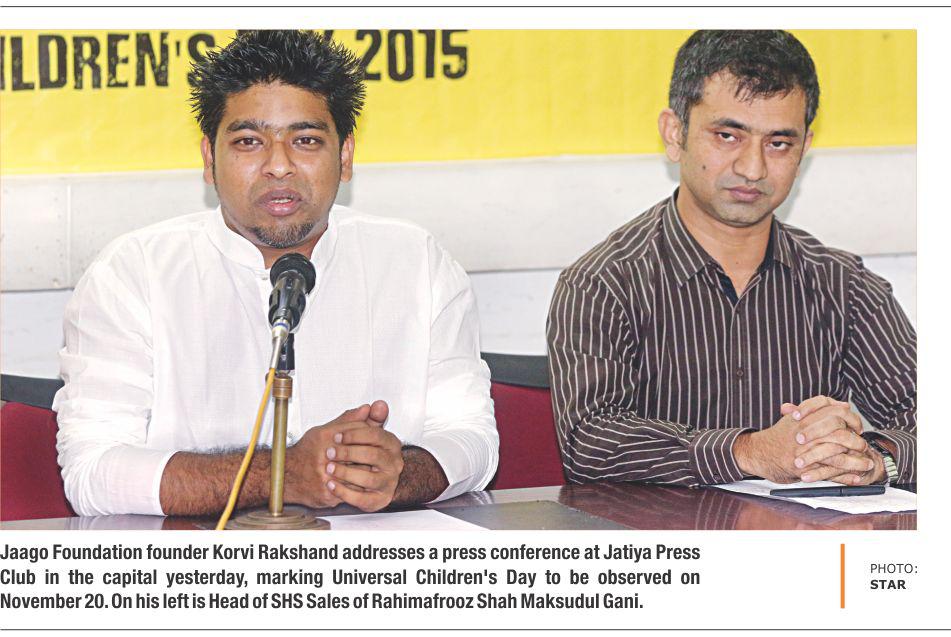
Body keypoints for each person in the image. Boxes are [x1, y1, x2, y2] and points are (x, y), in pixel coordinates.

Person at [53, 30, 498, 517]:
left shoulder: (416, 262)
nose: (279, 166)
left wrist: (398, 473)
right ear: (209, 159)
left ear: (345, 156)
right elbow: (92, 474)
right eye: (249, 142)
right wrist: (282, 474)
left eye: (306, 140)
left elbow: (473, 440)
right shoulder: (133, 274)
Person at [547, 30, 915, 488]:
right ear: (674, 133)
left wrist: (873, 460)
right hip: (662, 533)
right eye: (727, 136)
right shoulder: (605, 282)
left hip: (806, 530)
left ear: (804, 147)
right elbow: (589, 444)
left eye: (778, 143)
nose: (752, 168)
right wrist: (751, 452)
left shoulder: (844, 285)